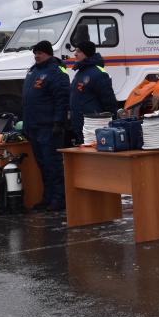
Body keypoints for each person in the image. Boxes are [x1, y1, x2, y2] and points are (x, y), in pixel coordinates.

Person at [22, 40, 70, 211]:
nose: (36, 56)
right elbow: (27, 102)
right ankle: (47, 198)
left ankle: (58, 200)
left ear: (48, 54)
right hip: (35, 127)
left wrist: (58, 123)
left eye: (39, 53)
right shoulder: (33, 71)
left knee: (53, 165)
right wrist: (26, 126)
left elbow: (62, 101)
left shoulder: (56, 72)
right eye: (35, 53)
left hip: (49, 127)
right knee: (43, 166)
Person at [69, 40, 118, 145]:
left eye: (79, 51)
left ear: (87, 53)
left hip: (95, 128)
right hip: (81, 127)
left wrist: (112, 124)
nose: (75, 54)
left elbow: (109, 101)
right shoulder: (79, 73)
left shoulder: (98, 74)